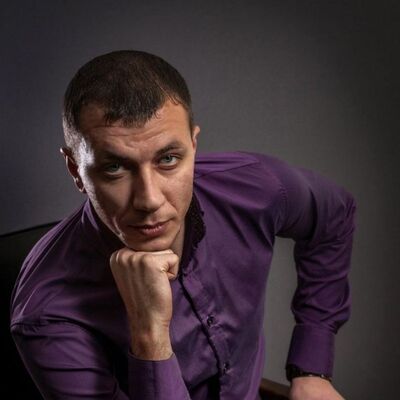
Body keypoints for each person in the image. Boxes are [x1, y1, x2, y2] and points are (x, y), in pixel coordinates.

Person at [10, 50, 356, 400]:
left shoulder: (255, 187)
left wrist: (312, 368)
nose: (149, 200)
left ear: (193, 144)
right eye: (114, 168)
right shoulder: (47, 316)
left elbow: (334, 215)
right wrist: (149, 332)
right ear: (75, 170)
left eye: (168, 159)